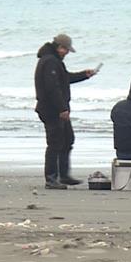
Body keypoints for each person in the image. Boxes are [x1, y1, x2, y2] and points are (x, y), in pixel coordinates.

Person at [34, 33, 97, 189]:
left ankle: (64, 175)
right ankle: (51, 178)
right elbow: (52, 88)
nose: (67, 52)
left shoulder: (55, 61)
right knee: (55, 144)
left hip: (57, 109)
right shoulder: (49, 62)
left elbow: (64, 78)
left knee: (68, 139)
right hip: (51, 110)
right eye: (65, 49)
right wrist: (62, 108)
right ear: (58, 47)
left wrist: (84, 75)